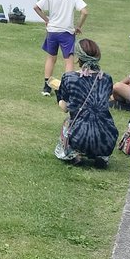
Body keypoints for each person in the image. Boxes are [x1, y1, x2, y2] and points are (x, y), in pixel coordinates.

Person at [54, 38, 118, 167]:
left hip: (79, 134)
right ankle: (102, 156)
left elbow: (65, 107)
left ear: (78, 57)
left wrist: (59, 96)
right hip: (107, 135)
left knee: (68, 122)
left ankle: (73, 153)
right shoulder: (106, 78)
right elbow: (107, 99)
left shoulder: (70, 78)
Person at [33, 0, 89, 96]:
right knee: (68, 60)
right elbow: (84, 12)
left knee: (51, 58)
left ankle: (46, 87)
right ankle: (68, 88)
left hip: (52, 31)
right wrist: (78, 26)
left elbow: (36, 7)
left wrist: (47, 20)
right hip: (67, 32)